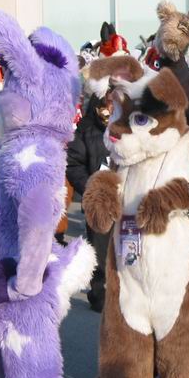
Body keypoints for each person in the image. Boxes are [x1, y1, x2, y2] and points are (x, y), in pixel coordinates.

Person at [66, 90, 112, 312]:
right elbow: (73, 163)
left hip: (129, 203)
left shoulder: (133, 124)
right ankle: (100, 294)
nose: (113, 105)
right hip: (99, 204)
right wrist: (91, 189)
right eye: (110, 100)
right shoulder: (88, 127)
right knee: (100, 254)